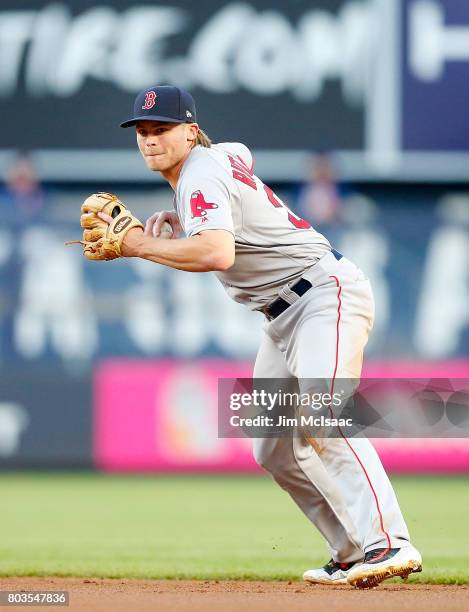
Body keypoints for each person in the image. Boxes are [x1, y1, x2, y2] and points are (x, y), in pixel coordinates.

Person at [98, 85, 422, 588]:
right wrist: (187, 216)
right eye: (142, 131)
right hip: (280, 317)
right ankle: (352, 550)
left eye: (161, 129)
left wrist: (139, 244)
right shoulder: (214, 158)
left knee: (322, 417)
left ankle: (391, 542)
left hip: (323, 295)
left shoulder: (201, 169)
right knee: (271, 447)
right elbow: (240, 155)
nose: (149, 139)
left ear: (189, 130)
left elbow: (216, 254)